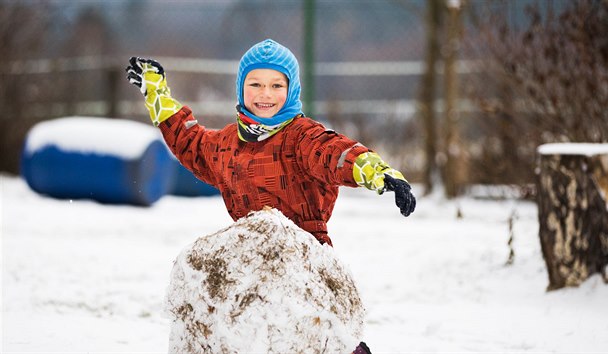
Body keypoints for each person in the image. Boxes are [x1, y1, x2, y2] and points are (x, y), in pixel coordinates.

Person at [126, 39, 415, 352]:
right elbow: (188, 139)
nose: (265, 94)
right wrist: (156, 90)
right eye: (256, 83)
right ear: (241, 88)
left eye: (277, 84)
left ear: (291, 90)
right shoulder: (225, 145)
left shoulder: (301, 136)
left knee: (319, 338)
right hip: (249, 265)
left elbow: (335, 152)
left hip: (306, 264)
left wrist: (379, 173)